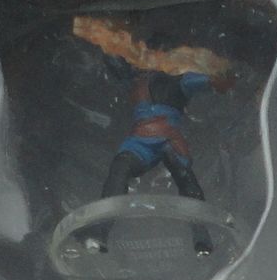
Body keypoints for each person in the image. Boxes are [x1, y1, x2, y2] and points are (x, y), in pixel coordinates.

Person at [70, 16, 239, 255]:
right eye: (149, 51)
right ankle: (100, 232)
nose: (152, 57)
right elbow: (115, 60)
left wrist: (219, 71)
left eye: (158, 52)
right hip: (139, 138)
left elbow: (218, 81)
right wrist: (105, 38)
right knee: (119, 169)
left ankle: (202, 238)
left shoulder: (180, 79)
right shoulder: (137, 78)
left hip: (167, 136)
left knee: (186, 181)